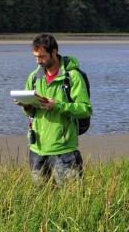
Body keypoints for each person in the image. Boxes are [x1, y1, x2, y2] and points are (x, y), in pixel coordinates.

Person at [17, 33, 92, 184]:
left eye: (42, 56)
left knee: (71, 198)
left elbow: (85, 109)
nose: (38, 61)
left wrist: (57, 105)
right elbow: (29, 113)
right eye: (36, 57)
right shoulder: (34, 78)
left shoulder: (73, 77)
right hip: (36, 149)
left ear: (54, 52)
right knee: (41, 198)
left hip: (63, 150)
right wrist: (26, 106)